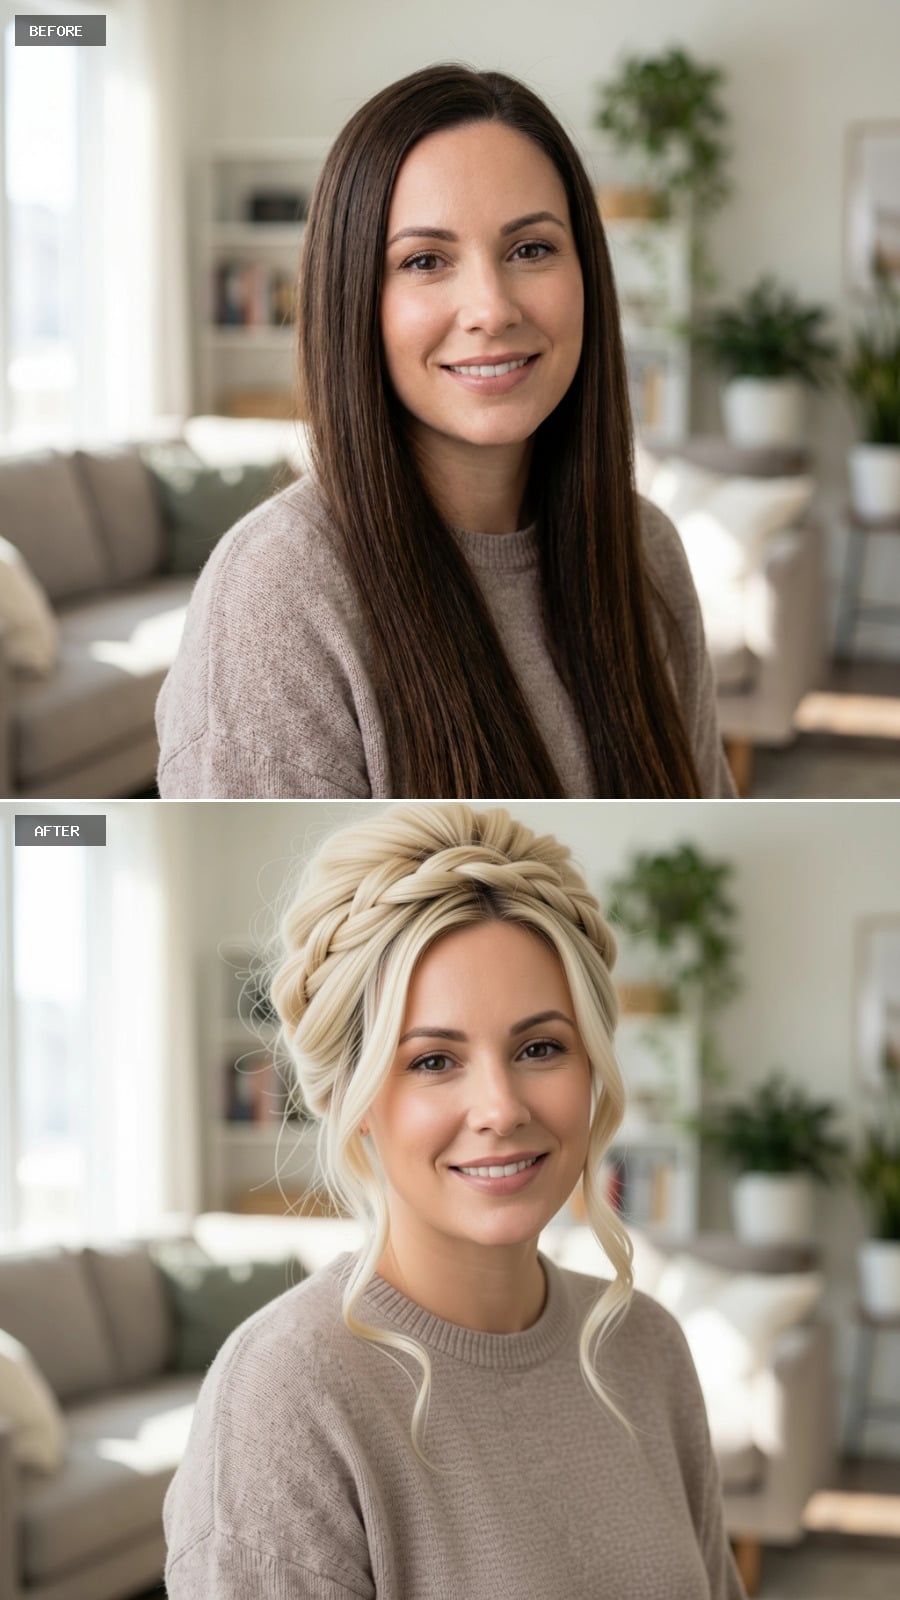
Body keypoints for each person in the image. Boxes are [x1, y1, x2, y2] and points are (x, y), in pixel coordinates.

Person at [163, 803, 745, 1599]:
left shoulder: (647, 1346)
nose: (501, 1108)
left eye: (540, 1047)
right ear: (353, 1099)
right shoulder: (284, 1395)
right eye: (434, 1061)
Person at [156, 64, 735, 799]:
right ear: (353, 300)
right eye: (425, 261)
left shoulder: (645, 550)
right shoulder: (276, 595)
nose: (491, 308)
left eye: (531, 249)